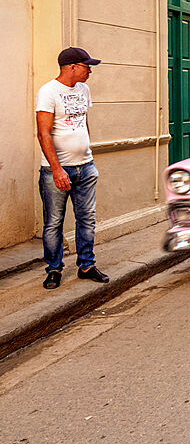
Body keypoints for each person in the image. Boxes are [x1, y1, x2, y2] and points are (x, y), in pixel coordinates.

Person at [36, 47, 108, 289]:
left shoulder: (84, 89)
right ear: (72, 67)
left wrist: (87, 151)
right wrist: (57, 169)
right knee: (54, 222)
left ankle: (86, 265)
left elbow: (83, 122)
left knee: (87, 219)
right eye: (86, 66)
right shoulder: (48, 92)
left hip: (86, 167)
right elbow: (43, 133)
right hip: (57, 169)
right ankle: (54, 269)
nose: (90, 70)